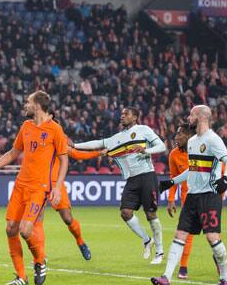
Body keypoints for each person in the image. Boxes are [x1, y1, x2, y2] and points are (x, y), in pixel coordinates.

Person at [0, 91, 68, 285]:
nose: (25, 105)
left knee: (26, 230)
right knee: (10, 229)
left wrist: (57, 187)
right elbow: (13, 153)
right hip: (20, 186)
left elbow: (64, 159)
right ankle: (21, 276)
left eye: (28, 102)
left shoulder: (55, 130)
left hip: (39, 189)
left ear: (38, 106)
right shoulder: (26, 126)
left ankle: (40, 261)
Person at [69, 107, 167, 264]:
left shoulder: (143, 130)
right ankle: (147, 240)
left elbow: (162, 147)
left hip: (147, 175)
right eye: (121, 114)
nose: (122, 116)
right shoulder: (116, 138)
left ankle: (160, 252)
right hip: (132, 180)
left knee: (150, 215)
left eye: (126, 114)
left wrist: (146, 151)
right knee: (125, 212)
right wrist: (75, 145)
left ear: (135, 117)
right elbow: (97, 143)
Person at [152, 105, 227, 285]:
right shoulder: (192, 141)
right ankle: (166, 277)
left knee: (212, 238)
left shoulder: (213, 139)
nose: (189, 117)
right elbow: (193, 169)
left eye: (191, 114)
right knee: (180, 234)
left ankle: (225, 279)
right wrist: (172, 182)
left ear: (201, 117)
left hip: (209, 196)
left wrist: (225, 179)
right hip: (192, 196)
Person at [166, 123, 194, 279]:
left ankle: (222, 272)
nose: (176, 137)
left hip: (206, 198)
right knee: (186, 233)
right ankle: (183, 268)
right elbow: (174, 179)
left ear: (189, 136)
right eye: (176, 134)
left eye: (180, 134)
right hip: (187, 200)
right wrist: (171, 199)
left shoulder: (199, 150)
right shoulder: (174, 154)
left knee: (213, 234)